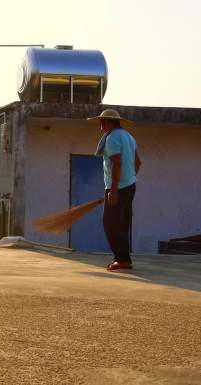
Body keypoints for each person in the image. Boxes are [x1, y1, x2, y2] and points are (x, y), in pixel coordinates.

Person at [88, 109, 142, 271]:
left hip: (118, 187)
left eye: (102, 122)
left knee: (110, 223)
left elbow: (117, 164)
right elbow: (138, 163)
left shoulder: (112, 138)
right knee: (121, 223)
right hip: (130, 185)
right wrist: (129, 178)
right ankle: (123, 259)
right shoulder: (129, 137)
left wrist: (114, 190)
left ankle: (122, 259)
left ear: (110, 122)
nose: (101, 126)